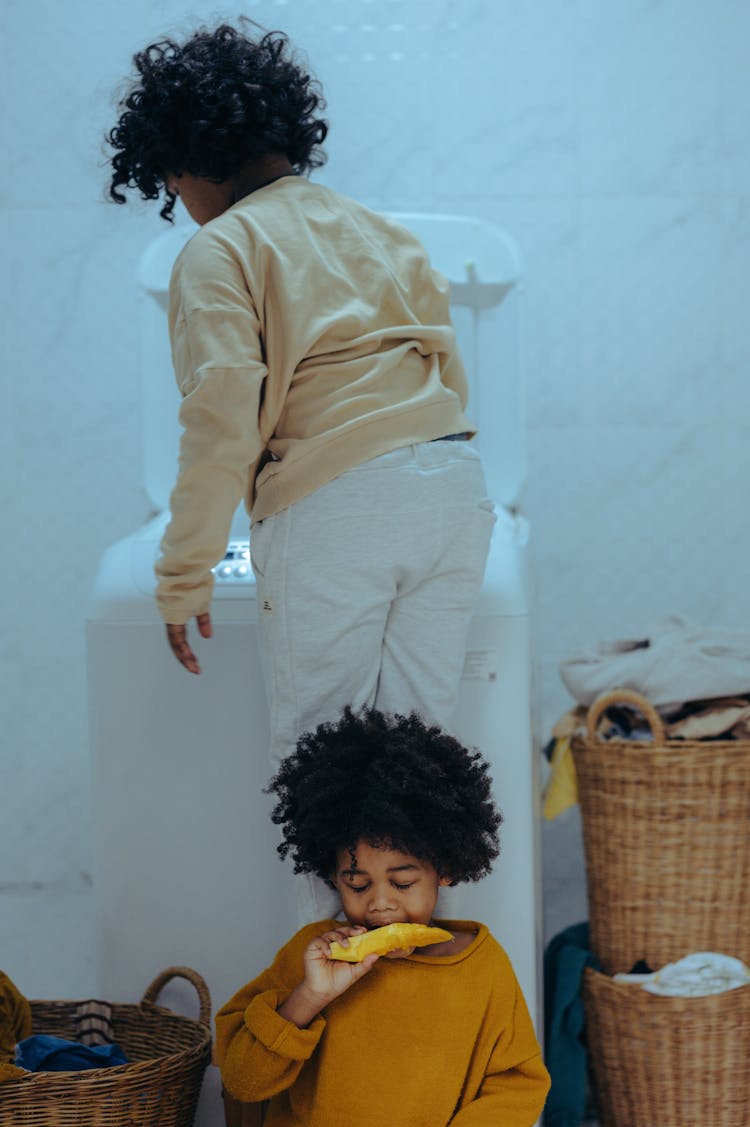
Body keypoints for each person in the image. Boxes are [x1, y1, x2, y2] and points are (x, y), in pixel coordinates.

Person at [106, 22, 495, 916]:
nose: (174, 195)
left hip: (338, 499)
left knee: (324, 778)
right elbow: (446, 367)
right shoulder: (373, 229)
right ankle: (414, 1005)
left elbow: (220, 419)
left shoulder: (220, 249)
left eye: (168, 178)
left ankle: (329, 1016)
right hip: (450, 484)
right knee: (415, 762)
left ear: (188, 158)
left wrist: (184, 572)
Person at [215, 708, 550, 1127]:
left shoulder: (484, 967)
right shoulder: (311, 955)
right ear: (333, 876)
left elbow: (517, 1082)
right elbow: (242, 1083)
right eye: (357, 884)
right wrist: (310, 997)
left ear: (444, 869)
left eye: (403, 883)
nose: (380, 904)